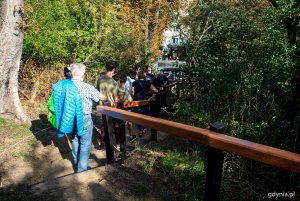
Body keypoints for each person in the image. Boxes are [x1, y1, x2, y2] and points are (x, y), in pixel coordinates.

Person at [53, 63, 102, 173]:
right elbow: (100, 97)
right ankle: (82, 168)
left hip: (69, 117)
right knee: (85, 143)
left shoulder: (64, 86)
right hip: (84, 117)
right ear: (83, 74)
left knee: (74, 139)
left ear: (71, 73)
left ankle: (76, 162)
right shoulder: (88, 87)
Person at [132, 72, 158, 137]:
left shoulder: (134, 82)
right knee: (145, 115)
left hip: (137, 101)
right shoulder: (148, 83)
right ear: (144, 77)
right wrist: (149, 92)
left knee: (138, 115)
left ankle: (141, 129)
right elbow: (156, 91)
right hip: (146, 100)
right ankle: (144, 128)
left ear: (138, 76)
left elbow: (132, 92)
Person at [117, 74, 136, 142]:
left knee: (119, 123)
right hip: (126, 108)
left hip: (118, 108)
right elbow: (130, 100)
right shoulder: (125, 90)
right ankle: (131, 136)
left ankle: (118, 139)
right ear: (125, 81)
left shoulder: (116, 88)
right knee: (129, 122)